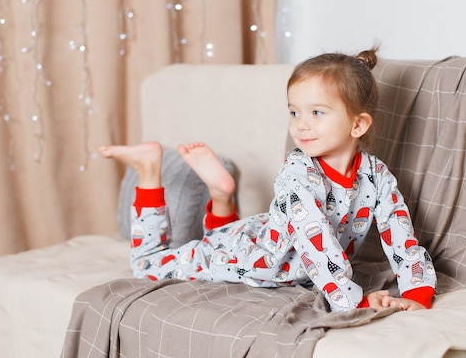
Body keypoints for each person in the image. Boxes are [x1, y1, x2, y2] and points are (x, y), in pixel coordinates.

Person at [99, 47, 437, 312]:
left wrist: (417, 290)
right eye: (294, 112)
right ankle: (149, 169)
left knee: (219, 236)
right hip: (255, 258)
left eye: (316, 112)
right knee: (147, 265)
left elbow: (399, 232)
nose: (301, 124)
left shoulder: (376, 175)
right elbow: (316, 240)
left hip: (268, 242)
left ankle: (221, 195)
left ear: (358, 125)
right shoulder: (297, 174)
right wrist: (355, 299)